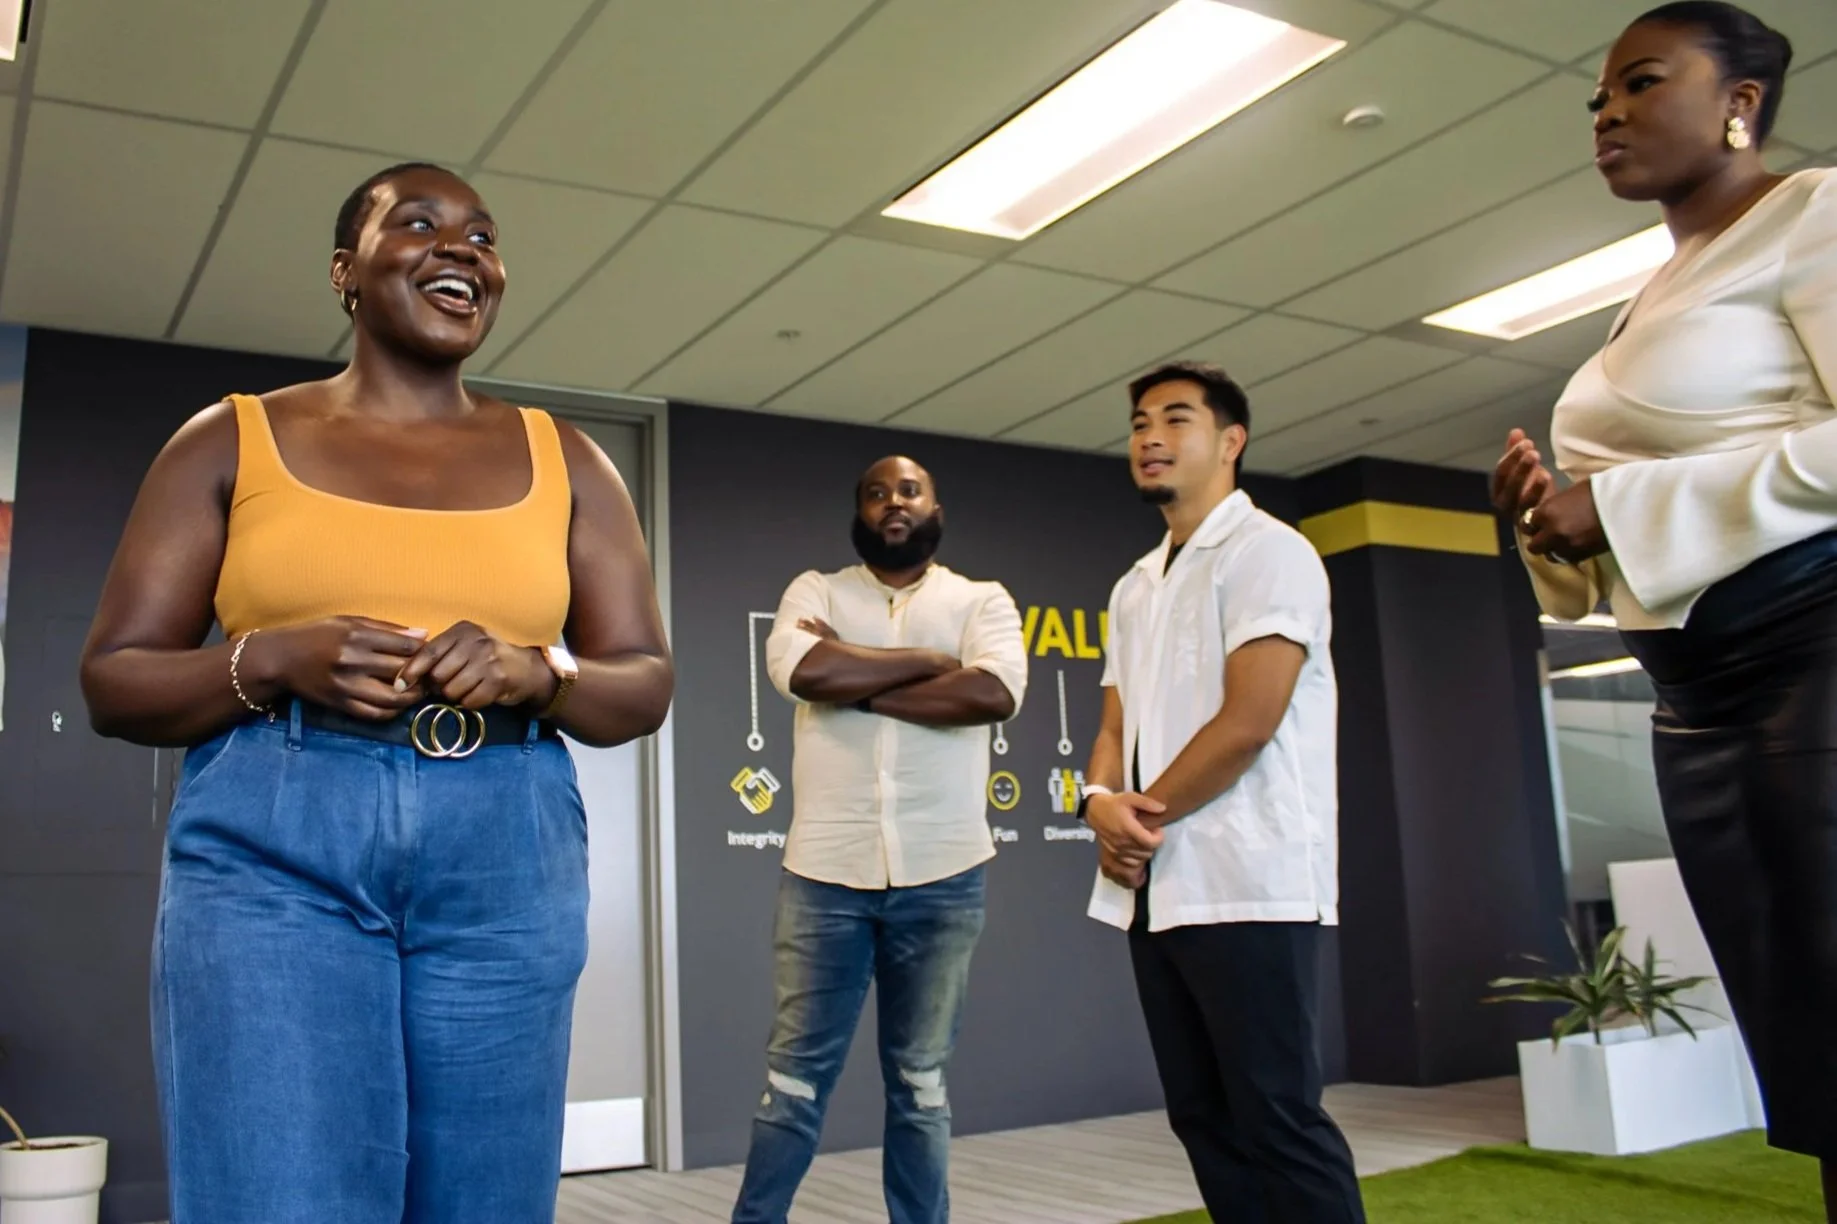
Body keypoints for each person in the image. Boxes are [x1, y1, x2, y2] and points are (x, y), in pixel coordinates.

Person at [79, 162, 674, 1224]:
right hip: (275, 849)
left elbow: (643, 681)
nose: (462, 248)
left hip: (507, 847)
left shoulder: (570, 459)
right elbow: (115, 678)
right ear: (346, 273)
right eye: (419, 224)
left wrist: (542, 671)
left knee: (482, 1203)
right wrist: (263, 659)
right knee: (277, 1195)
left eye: (482, 237)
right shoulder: (229, 438)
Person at [1494, 3, 1837, 1213]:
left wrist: (1624, 504)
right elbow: (1621, 530)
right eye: (1595, 100)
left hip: (1815, 658)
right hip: (1697, 702)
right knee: (1813, 1064)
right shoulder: (1650, 292)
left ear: (1740, 103)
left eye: (1640, 84)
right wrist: (1555, 524)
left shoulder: (1817, 215)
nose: (1607, 115)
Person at [1081, 362, 1363, 1223]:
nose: (1150, 438)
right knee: (1203, 1119)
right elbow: (1111, 730)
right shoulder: (1133, 586)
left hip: (1251, 883)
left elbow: (1249, 720)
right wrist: (1099, 802)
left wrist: (1135, 815)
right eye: (1137, 424)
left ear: (1230, 441)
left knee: (1276, 1117)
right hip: (1156, 892)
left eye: (1174, 420)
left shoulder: (1270, 552)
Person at [736, 456, 1026, 1224]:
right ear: (858, 512)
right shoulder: (816, 590)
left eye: (908, 491)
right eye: (875, 493)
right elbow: (800, 671)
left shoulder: (980, 599)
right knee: (791, 1082)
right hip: (824, 874)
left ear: (934, 506)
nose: (891, 502)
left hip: (945, 872)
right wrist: (932, 664)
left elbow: (992, 691)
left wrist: (856, 681)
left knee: (920, 1084)